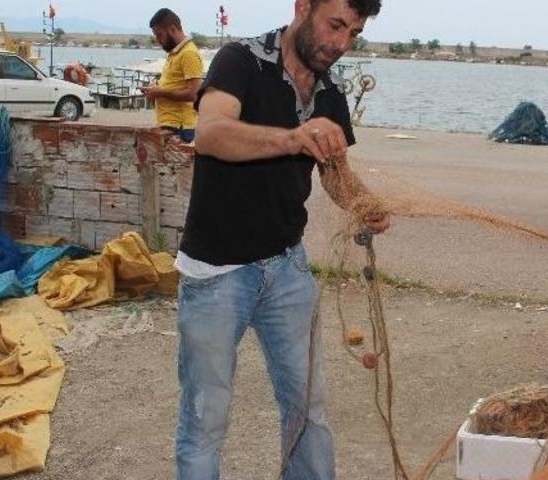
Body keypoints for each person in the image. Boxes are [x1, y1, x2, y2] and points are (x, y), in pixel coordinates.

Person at [173, 0, 386, 479]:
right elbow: (211, 134)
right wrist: (293, 138)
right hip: (216, 275)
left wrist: (367, 205)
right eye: (335, 25)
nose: (340, 44)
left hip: (287, 270)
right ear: (302, 7)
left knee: (308, 411)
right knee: (204, 421)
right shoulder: (239, 60)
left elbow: (336, 179)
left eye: (353, 33)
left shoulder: (330, 92)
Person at [141, 8, 203, 143]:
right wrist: (155, 90)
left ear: (173, 29)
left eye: (159, 35)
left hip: (180, 127)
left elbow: (194, 94)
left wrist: (160, 92)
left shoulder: (188, 54)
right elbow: (175, 85)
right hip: (171, 125)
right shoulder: (175, 53)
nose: (158, 40)